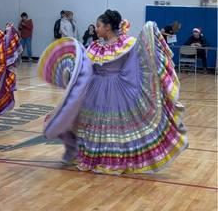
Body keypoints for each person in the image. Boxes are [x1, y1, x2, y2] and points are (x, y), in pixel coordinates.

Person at [39, 9, 188, 174]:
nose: (96, 29)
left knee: (113, 126)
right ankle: (95, 157)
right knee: (94, 125)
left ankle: (113, 159)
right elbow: (84, 68)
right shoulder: (95, 46)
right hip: (95, 91)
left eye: (98, 25)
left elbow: (136, 62)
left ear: (108, 27)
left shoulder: (126, 43)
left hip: (116, 91)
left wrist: (151, 36)